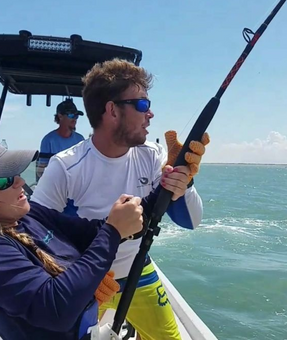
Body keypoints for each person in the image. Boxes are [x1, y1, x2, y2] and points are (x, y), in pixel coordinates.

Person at [32, 59, 210, 340]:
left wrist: (184, 182)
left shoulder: (151, 155)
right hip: (84, 280)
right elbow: (31, 233)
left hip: (138, 268)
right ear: (112, 110)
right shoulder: (65, 168)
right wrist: (70, 276)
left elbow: (192, 221)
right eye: (141, 104)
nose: (150, 113)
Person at [0, 138, 148, 340]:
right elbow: (55, 309)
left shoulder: (26, 214)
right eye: (5, 179)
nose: (20, 182)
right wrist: (113, 232)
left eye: (16, 172)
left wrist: (161, 193)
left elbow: (89, 233)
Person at [36, 98, 85, 179]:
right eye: (71, 115)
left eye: (76, 116)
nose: (74, 119)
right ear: (60, 116)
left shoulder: (80, 139)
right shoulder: (48, 140)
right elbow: (41, 171)